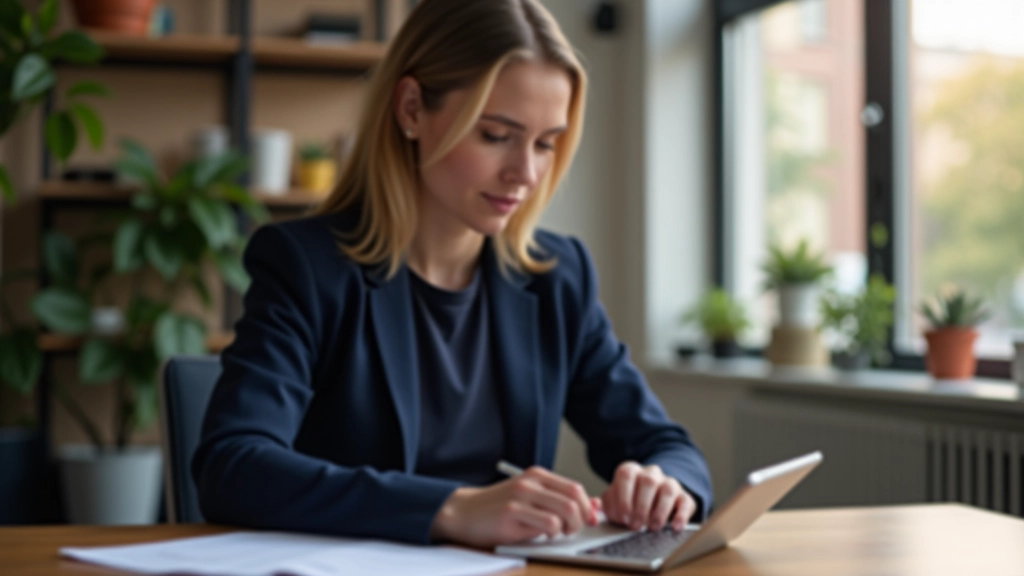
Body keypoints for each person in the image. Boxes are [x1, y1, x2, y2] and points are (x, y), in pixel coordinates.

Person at [192, 0, 712, 548]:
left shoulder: (556, 278)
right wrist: (448, 508)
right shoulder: (307, 267)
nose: (526, 173)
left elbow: (666, 446)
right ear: (412, 108)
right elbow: (234, 467)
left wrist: (666, 484)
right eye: (495, 135)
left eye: (545, 143)